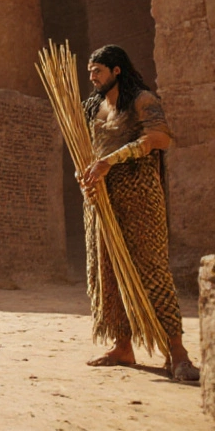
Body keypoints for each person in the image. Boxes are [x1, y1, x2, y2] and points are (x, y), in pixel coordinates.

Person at [76, 45, 199, 382]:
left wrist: (111, 160)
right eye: (90, 71)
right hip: (102, 199)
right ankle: (123, 346)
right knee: (107, 272)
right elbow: (91, 152)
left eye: (98, 70)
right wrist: (85, 174)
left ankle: (177, 353)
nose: (92, 77)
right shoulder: (94, 108)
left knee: (151, 270)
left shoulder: (142, 100)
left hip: (140, 198)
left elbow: (160, 138)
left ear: (117, 70)